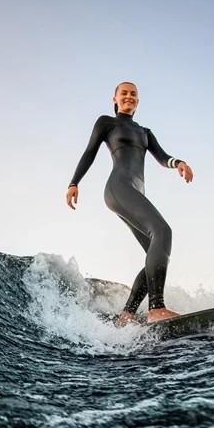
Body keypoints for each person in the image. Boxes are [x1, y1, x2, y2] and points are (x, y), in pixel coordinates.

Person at [66, 81, 194, 327]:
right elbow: (89, 152)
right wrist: (74, 183)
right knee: (163, 231)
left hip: (136, 191)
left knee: (156, 251)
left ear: (138, 101)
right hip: (119, 187)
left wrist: (178, 162)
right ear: (115, 99)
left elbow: (162, 157)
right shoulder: (107, 122)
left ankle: (127, 315)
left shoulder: (145, 132)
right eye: (123, 93)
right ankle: (156, 308)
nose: (129, 97)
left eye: (133, 94)